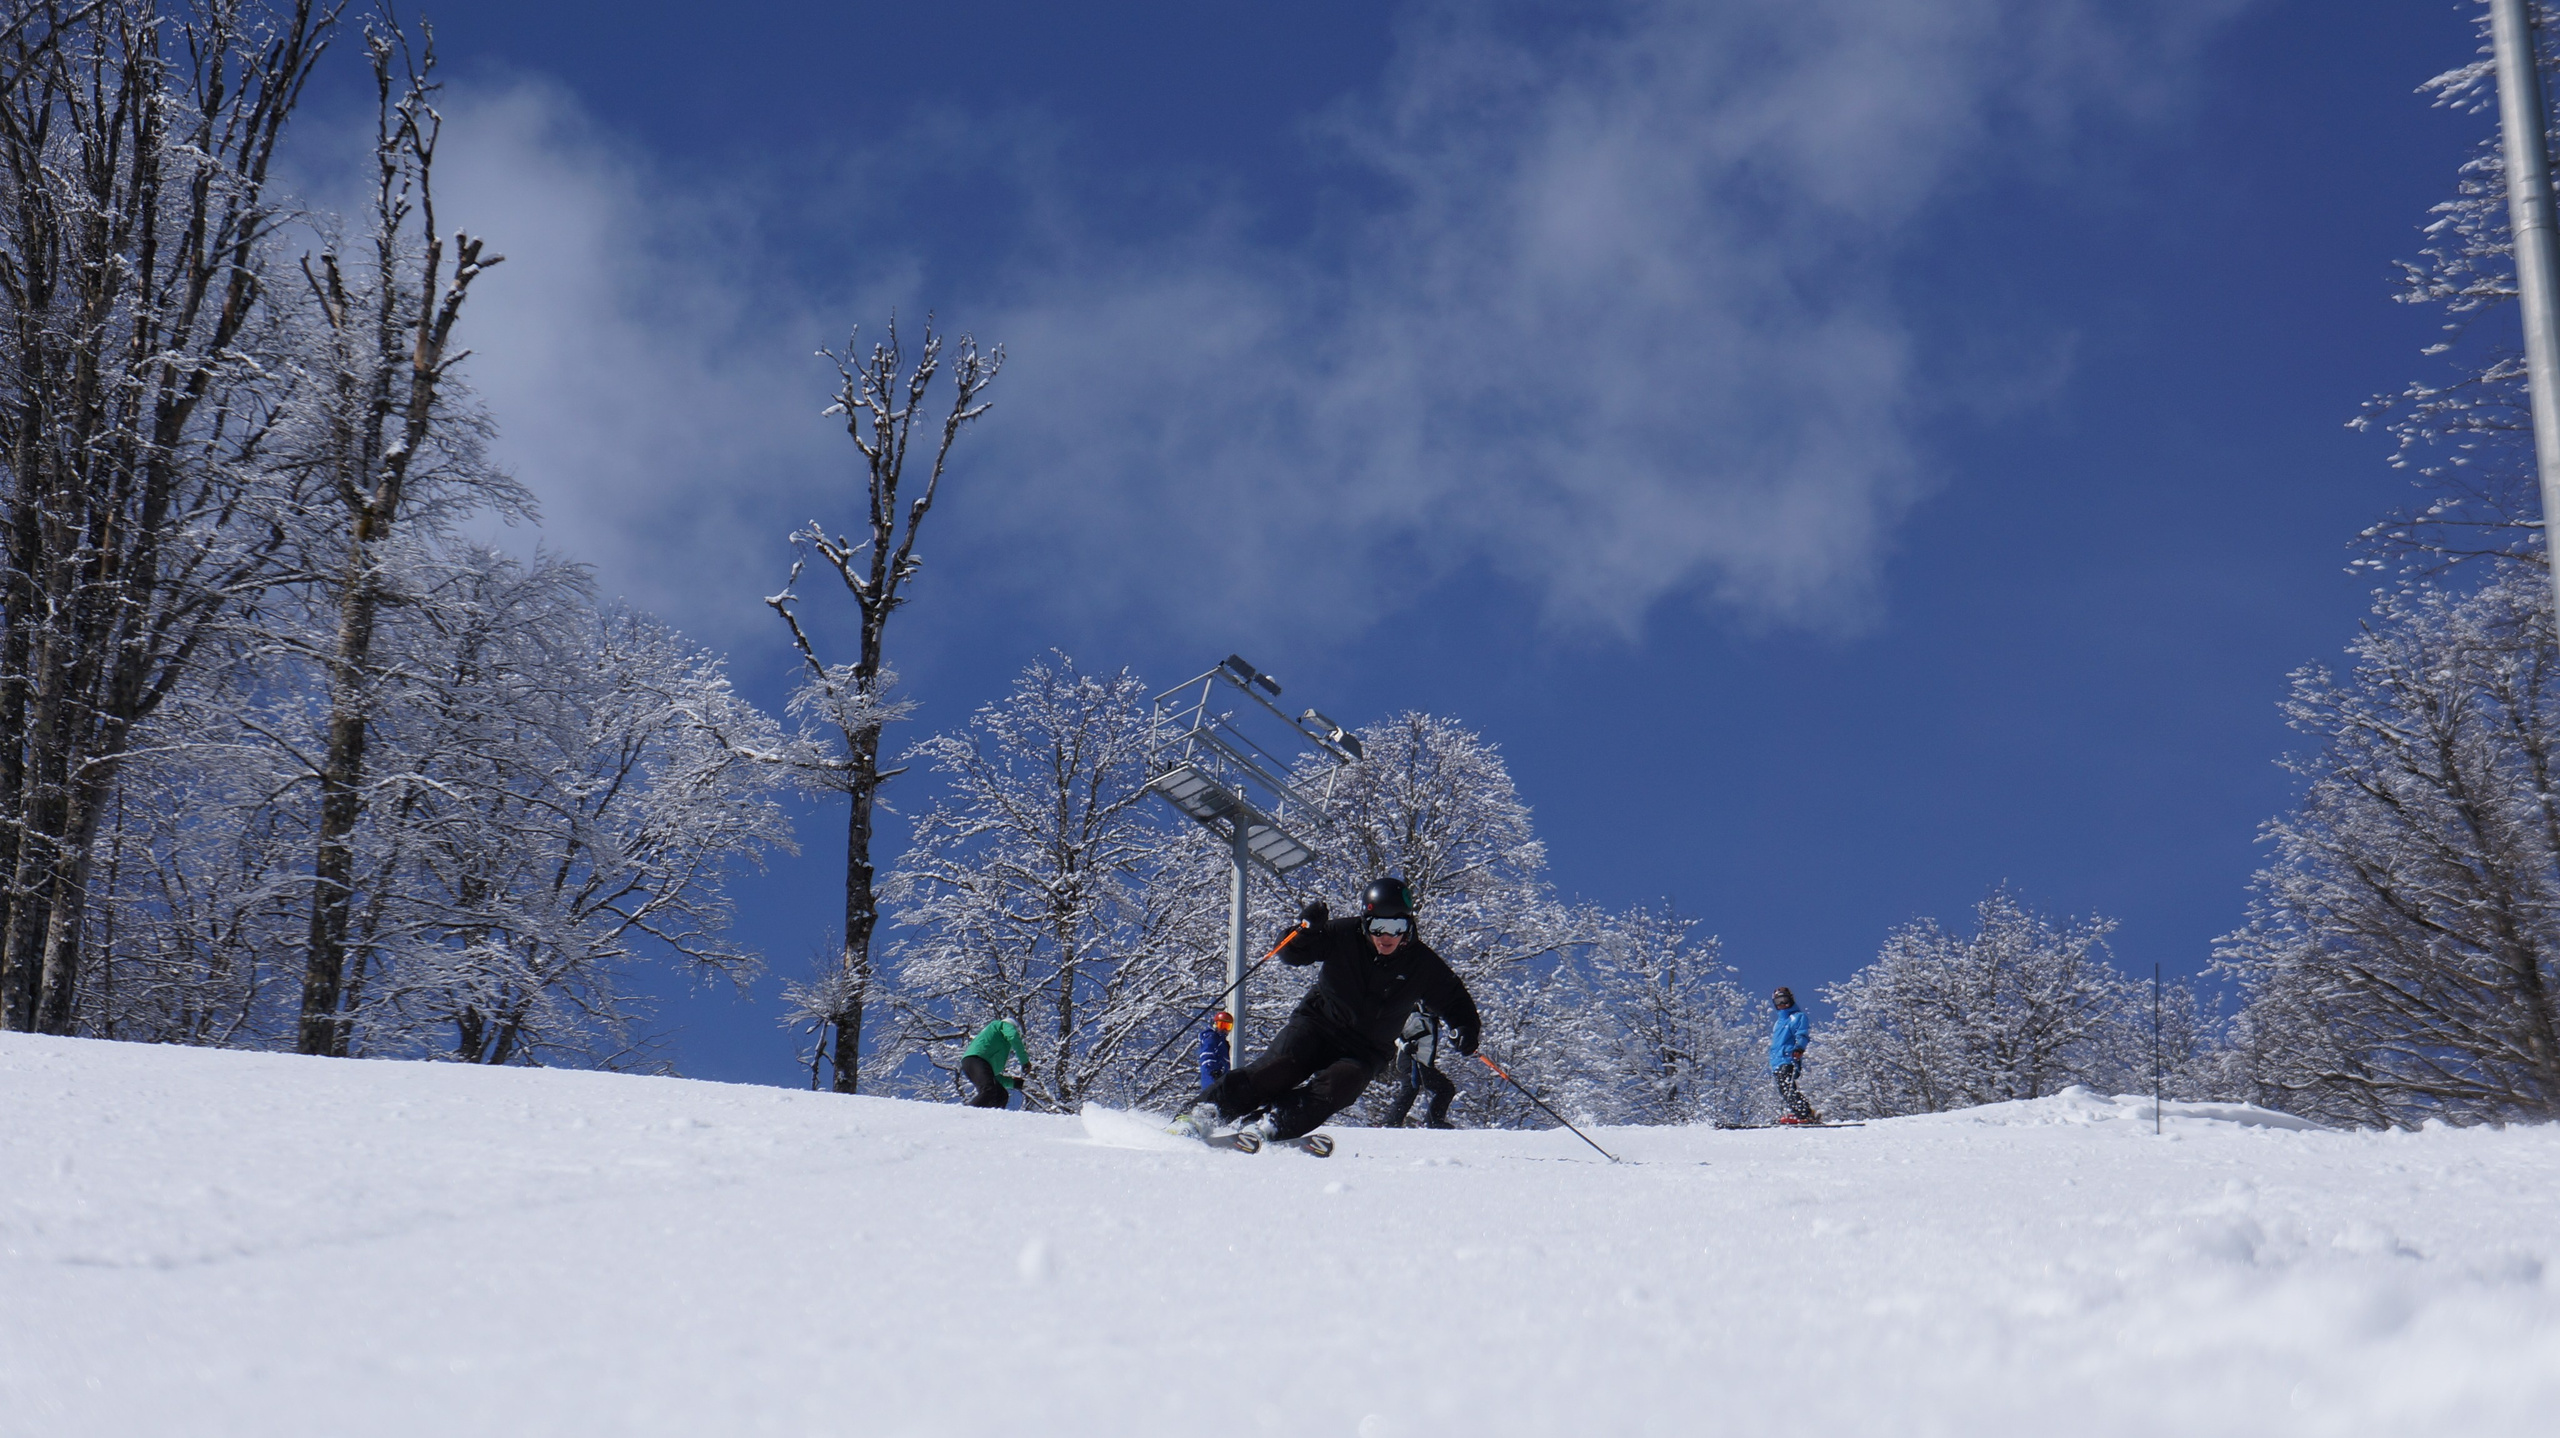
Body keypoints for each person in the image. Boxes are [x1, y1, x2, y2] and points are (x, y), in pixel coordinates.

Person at [1175, 876, 1482, 1144]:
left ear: (1409, 925)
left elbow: (1454, 999)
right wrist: (1305, 931)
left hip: (1365, 1049)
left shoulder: (1422, 964)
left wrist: (1466, 1029)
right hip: (1317, 1024)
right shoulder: (1344, 934)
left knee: (1339, 1087)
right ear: (1365, 921)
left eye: (1397, 925)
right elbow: (1293, 954)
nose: (1386, 936)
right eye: (1378, 926)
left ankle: (1273, 1121)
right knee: (1277, 1068)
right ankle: (1204, 1113)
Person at [1379, 1004, 1458, 1129]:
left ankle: (1433, 1122)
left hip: (1424, 1063)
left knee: (1445, 1088)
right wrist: (1405, 1045)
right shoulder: (1413, 1015)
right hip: (1409, 1059)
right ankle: (1390, 1122)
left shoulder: (1433, 1020)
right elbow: (1395, 1033)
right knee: (1411, 1087)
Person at [1768, 987, 1821, 1125]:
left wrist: (1799, 1048)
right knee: (1784, 1089)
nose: (1782, 1004)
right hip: (1776, 1061)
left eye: (1785, 1000)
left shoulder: (1798, 1017)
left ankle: (1805, 1113)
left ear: (1791, 1000)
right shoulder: (1778, 1023)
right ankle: (1799, 1112)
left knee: (1788, 1087)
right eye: (1779, 1001)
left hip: (1789, 1058)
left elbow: (1802, 1034)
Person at [959, 1016, 1028, 1109]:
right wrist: (1025, 1061)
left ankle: (990, 1120)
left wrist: (1013, 1083)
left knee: (1001, 1095)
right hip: (976, 1059)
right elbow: (1013, 1036)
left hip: (971, 1063)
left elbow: (991, 1076)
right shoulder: (1002, 1025)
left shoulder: (995, 1045)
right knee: (988, 1090)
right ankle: (965, 1115)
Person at [1197, 1010, 1234, 1091]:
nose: (1224, 1029)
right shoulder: (1211, 1037)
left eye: (1227, 1026)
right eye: (1222, 1025)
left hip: (1221, 1080)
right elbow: (1207, 1054)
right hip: (1212, 1080)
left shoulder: (1223, 1043)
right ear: (1215, 1024)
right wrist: (1213, 1070)